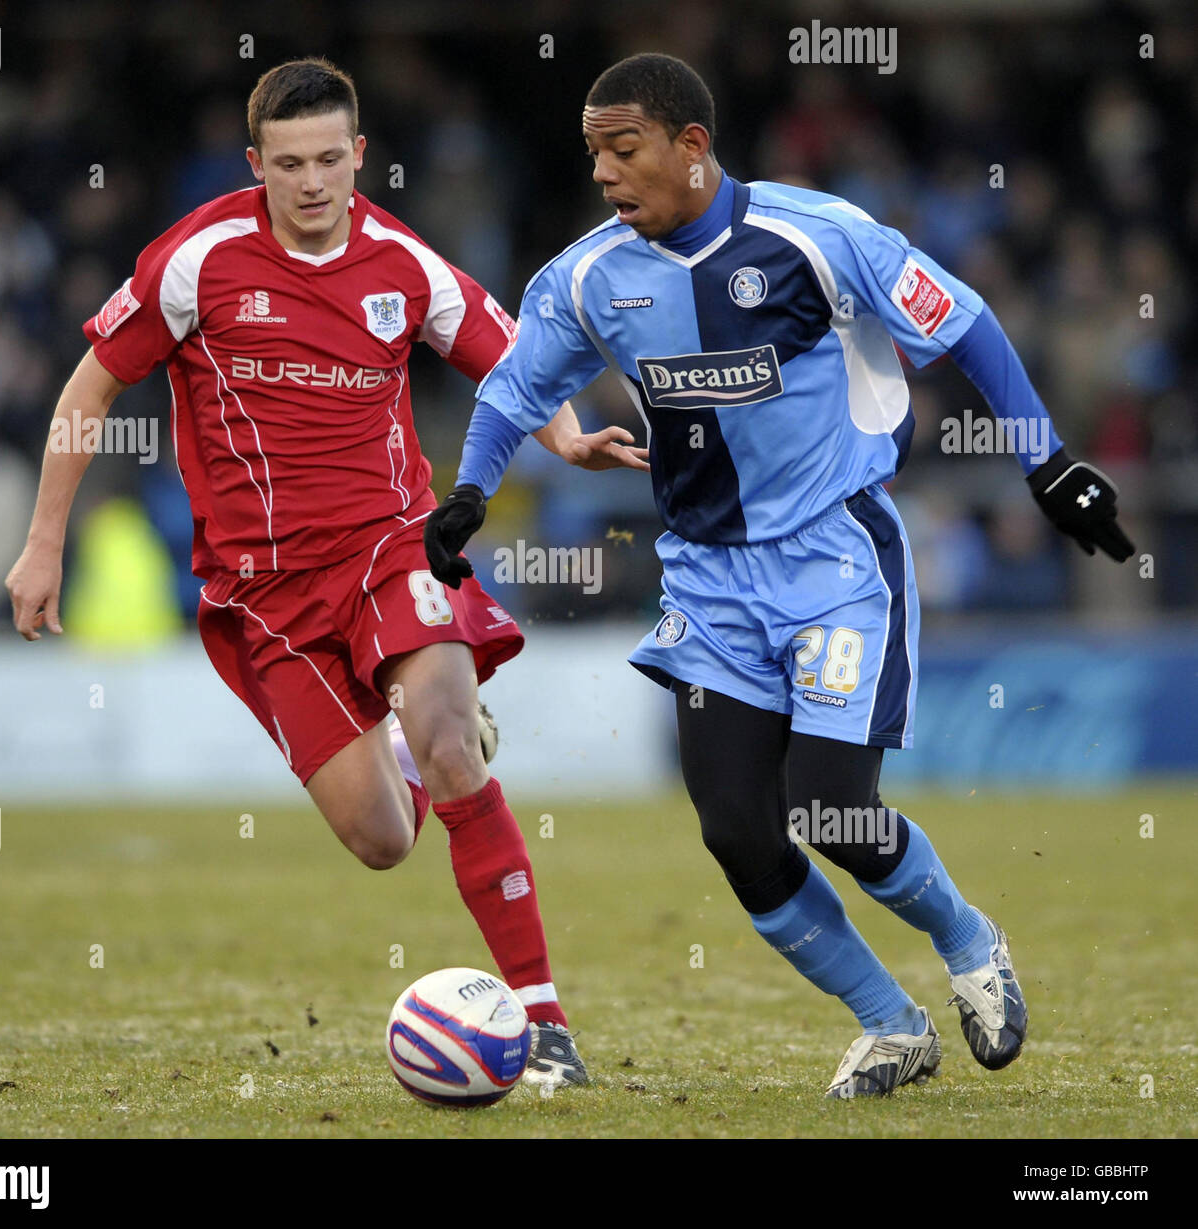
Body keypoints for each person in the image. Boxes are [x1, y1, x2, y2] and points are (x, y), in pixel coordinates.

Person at [426, 53, 1135, 1098]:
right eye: (592, 155)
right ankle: (890, 1024)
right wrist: (470, 495)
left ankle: (970, 938)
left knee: (831, 807)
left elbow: (967, 321)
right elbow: (513, 383)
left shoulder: (819, 236)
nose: (606, 175)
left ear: (692, 147)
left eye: (624, 150)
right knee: (736, 827)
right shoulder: (589, 276)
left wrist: (1046, 461)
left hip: (835, 560)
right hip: (708, 586)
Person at [5, 57, 645, 1090]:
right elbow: (90, 384)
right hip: (265, 593)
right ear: (256, 164)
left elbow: (509, 353)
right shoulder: (196, 260)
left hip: (391, 545)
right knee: (384, 840)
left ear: (360, 155)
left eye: (329, 160)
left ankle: (544, 1019)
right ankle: (417, 740)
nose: (312, 183)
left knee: (446, 744)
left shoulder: (402, 263)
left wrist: (566, 437)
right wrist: (43, 542)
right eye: (288, 164)